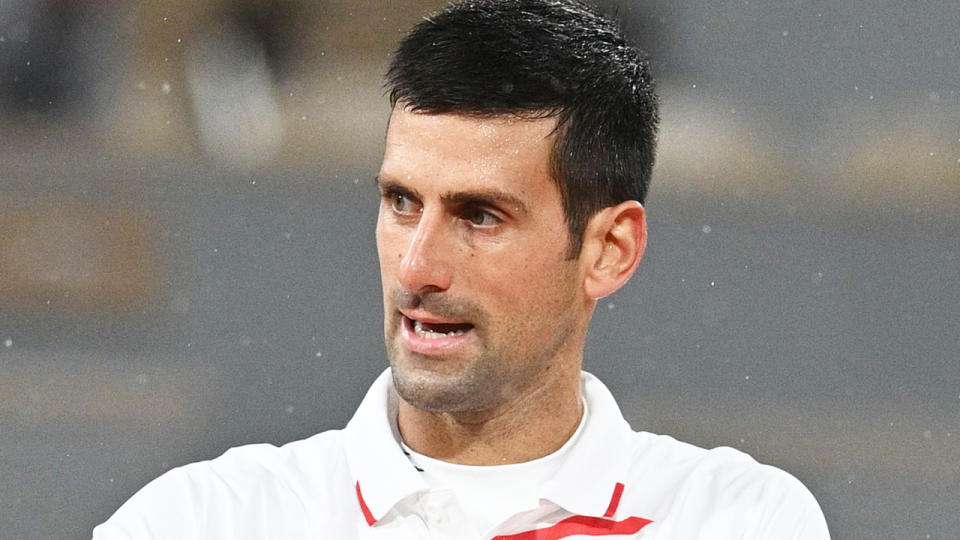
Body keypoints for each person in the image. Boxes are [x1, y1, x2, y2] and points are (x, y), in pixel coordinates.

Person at [94, 0, 829, 538]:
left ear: (610, 250)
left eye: (480, 216)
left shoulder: (740, 519)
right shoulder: (198, 521)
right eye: (402, 203)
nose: (418, 266)